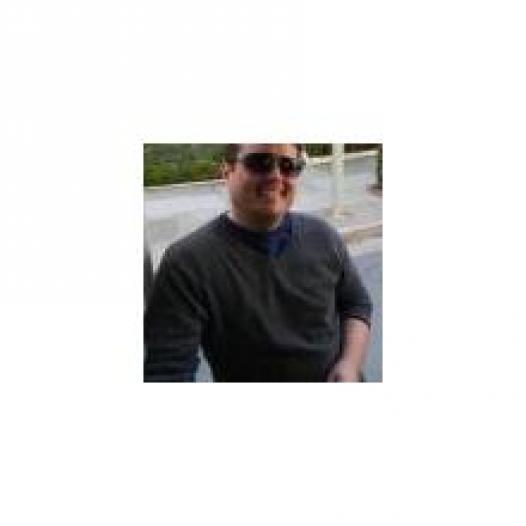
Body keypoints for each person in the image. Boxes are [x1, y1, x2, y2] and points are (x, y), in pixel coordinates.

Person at [144, 144, 372, 382]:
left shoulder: (324, 236)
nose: (276, 176)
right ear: (227, 172)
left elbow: (356, 304)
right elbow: (168, 371)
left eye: (289, 166)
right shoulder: (187, 263)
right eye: (260, 163)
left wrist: (350, 363)